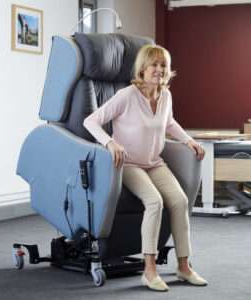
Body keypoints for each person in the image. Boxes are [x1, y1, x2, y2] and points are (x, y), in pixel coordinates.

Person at [83, 44, 208, 292]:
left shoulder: (166, 96)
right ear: (142, 68)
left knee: (180, 201)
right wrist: (110, 142)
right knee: (154, 201)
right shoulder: (127, 95)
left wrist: (188, 140)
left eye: (163, 65)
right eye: (154, 64)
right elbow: (91, 121)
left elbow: (169, 123)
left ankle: (184, 267)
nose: (159, 70)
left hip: (154, 163)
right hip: (128, 164)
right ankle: (149, 270)